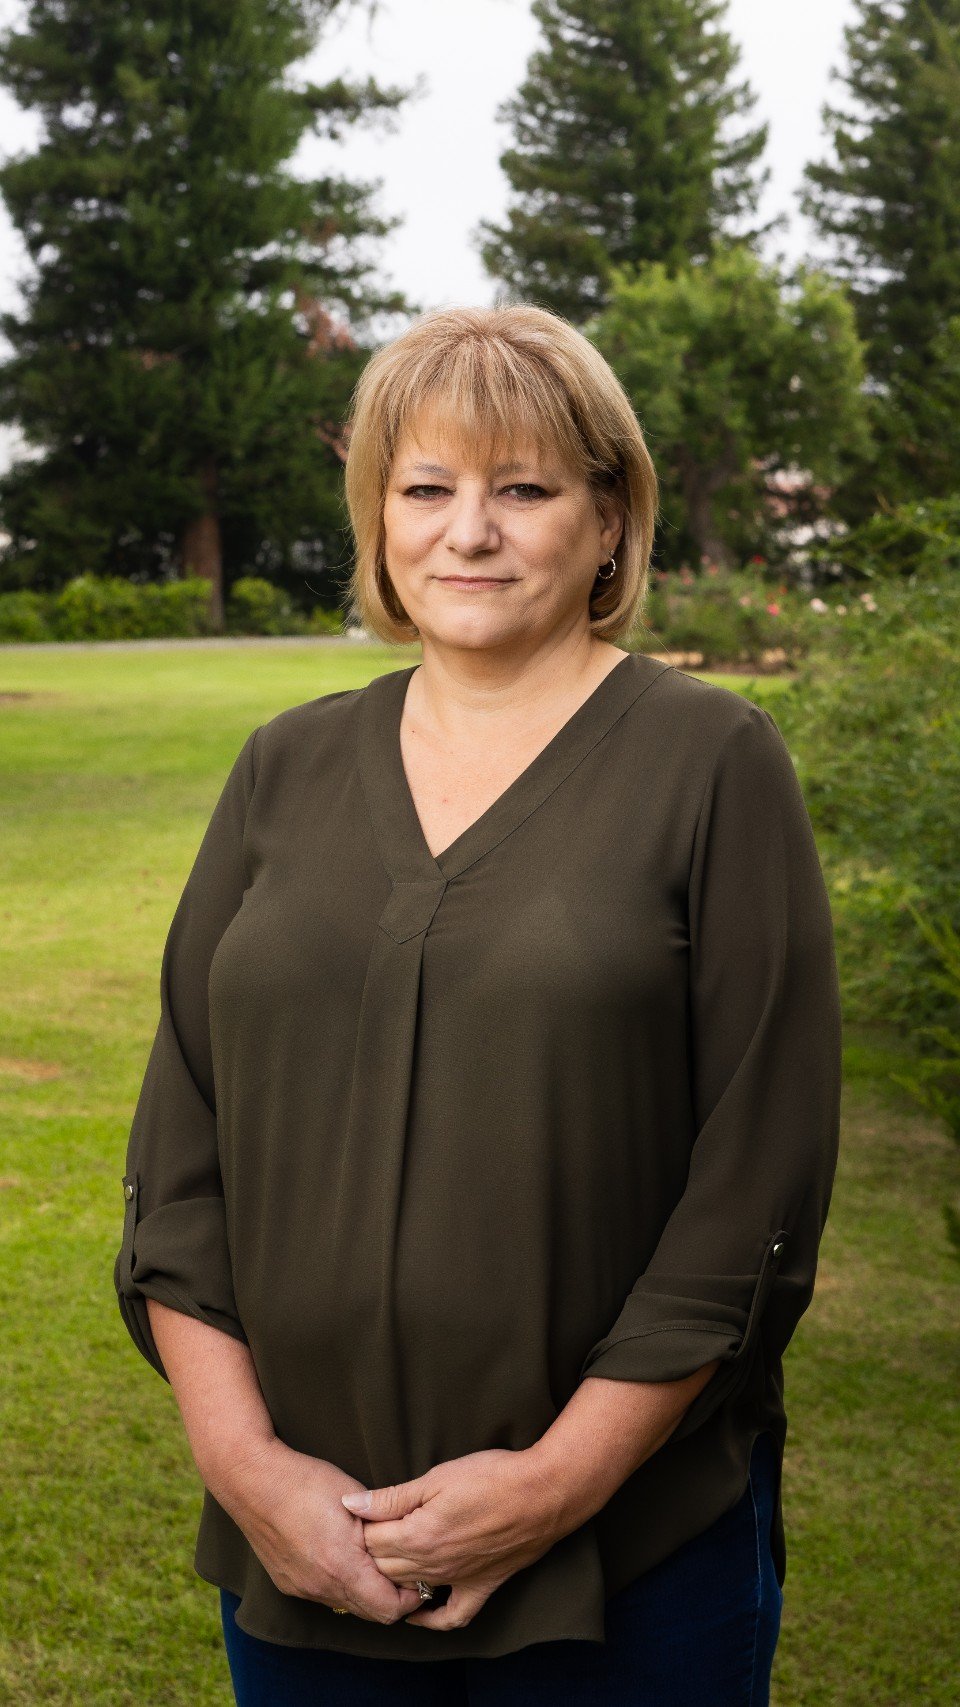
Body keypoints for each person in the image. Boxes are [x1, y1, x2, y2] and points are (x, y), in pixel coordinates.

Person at [114, 302, 842, 1705]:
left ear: (611, 518)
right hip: (307, 1554)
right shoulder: (285, 767)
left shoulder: (713, 766)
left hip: (629, 1566)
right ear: (379, 517)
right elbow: (182, 1156)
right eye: (427, 488)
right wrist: (250, 1472)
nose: (471, 531)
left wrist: (558, 1484)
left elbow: (756, 1185)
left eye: (524, 489)